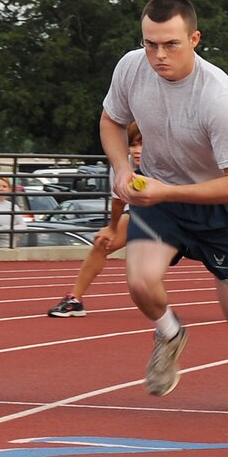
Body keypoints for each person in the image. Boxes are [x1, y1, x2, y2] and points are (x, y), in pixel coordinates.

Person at [100, 0, 228, 414]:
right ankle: (169, 333)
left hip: (223, 209)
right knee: (139, 281)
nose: (158, 55)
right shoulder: (130, 68)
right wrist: (122, 170)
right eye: (149, 43)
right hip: (163, 199)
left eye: (170, 44)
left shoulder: (219, 99)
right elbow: (110, 120)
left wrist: (164, 190)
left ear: (194, 39)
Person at [47, 126, 143, 316]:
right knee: (101, 243)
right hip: (142, 213)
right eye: (133, 145)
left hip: (178, 212)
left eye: (143, 145)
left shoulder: (166, 161)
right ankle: (75, 300)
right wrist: (112, 228)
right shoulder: (121, 164)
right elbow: (118, 201)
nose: (138, 150)